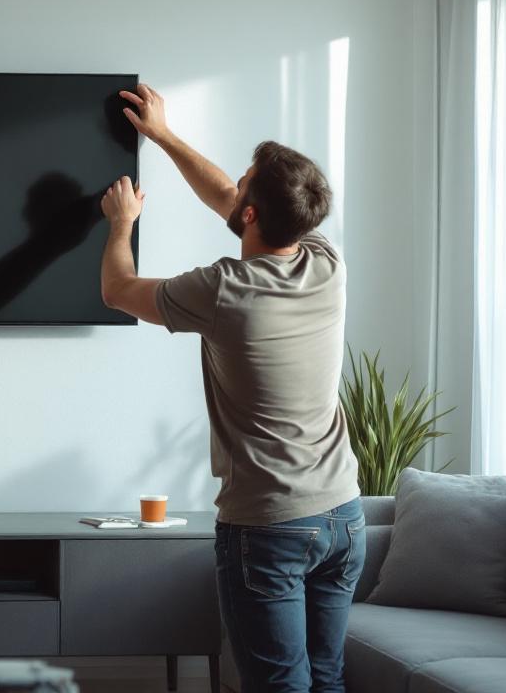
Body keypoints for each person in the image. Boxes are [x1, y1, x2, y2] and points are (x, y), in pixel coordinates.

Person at [98, 83, 365, 693]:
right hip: (344, 517)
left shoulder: (223, 291)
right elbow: (228, 198)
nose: (234, 187)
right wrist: (162, 135)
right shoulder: (326, 262)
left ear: (250, 215)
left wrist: (122, 225)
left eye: (244, 184)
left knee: (279, 686)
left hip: (271, 526)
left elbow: (117, 290)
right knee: (326, 680)